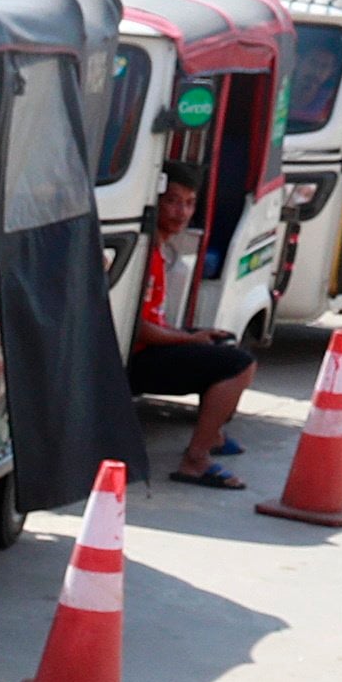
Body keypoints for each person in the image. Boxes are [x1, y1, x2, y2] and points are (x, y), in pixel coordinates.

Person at [126, 173, 256, 489]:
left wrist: (194, 335)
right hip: (134, 361)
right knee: (239, 365)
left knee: (224, 343)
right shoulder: (142, 254)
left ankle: (214, 435)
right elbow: (139, 330)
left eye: (189, 203)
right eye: (172, 201)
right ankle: (196, 460)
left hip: (150, 348)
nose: (181, 212)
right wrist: (188, 338)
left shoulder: (158, 251)